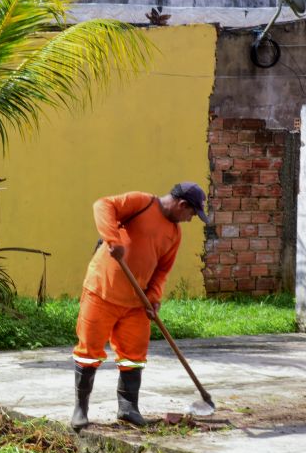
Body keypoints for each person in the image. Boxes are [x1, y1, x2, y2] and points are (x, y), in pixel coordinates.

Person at [70, 182, 208, 432]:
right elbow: (102, 205)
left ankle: (128, 408)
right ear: (182, 205)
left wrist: (153, 297)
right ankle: (81, 409)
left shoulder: (174, 234)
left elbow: (162, 270)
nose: (190, 219)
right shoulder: (142, 202)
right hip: (102, 291)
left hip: (136, 302)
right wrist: (113, 239)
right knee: (88, 350)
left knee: (134, 356)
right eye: (191, 214)